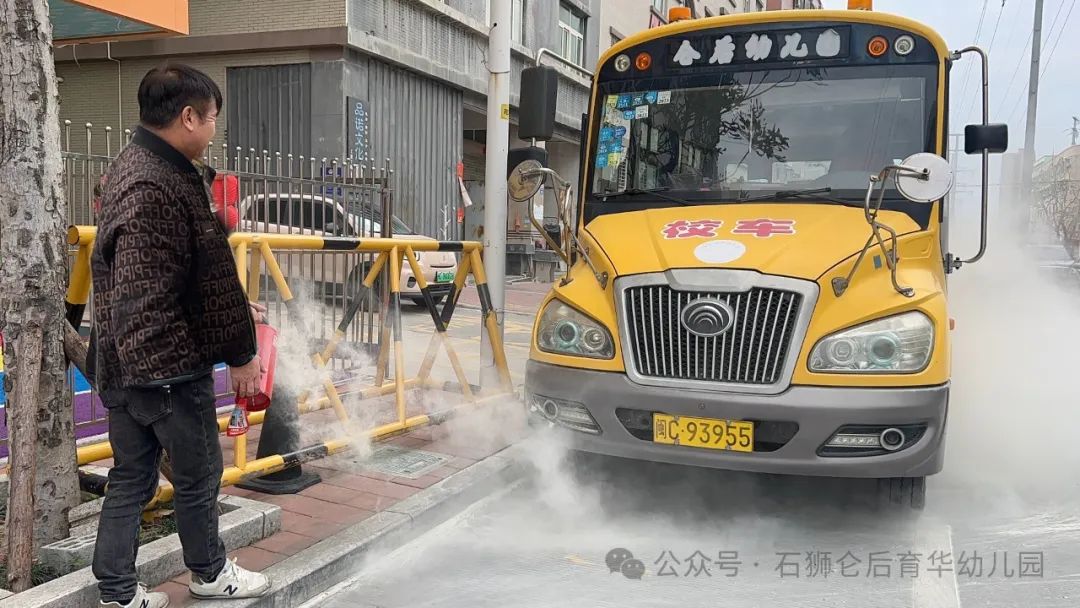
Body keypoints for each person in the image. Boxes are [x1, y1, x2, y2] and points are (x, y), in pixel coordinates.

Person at [87, 64, 272, 607]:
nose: (214, 130)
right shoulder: (167, 181)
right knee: (198, 476)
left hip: (124, 361)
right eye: (212, 118)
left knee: (132, 478)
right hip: (167, 365)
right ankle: (211, 574)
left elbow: (169, 275)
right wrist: (241, 351)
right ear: (188, 116)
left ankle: (118, 593)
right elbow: (206, 278)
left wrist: (241, 307)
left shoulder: (129, 166)